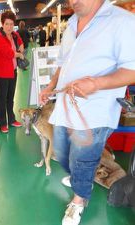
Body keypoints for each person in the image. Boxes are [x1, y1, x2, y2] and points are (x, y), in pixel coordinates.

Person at [39, 0, 135, 225]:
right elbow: (63, 65)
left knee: (82, 159)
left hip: (94, 112)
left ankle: (79, 200)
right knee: (62, 152)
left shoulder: (123, 22)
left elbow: (132, 70)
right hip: (65, 107)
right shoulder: (71, 25)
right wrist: (51, 86)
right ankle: (80, 179)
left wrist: (97, 84)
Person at [0, 10, 24, 134]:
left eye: (11, 24)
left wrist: (21, 48)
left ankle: (11, 119)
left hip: (13, 71)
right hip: (2, 74)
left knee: (10, 98)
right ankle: (2, 123)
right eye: (7, 24)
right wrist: (19, 54)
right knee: (3, 99)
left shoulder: (15, 34)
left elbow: (21, 43)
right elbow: (9, 53)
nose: (9, 27)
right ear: (2, 24)